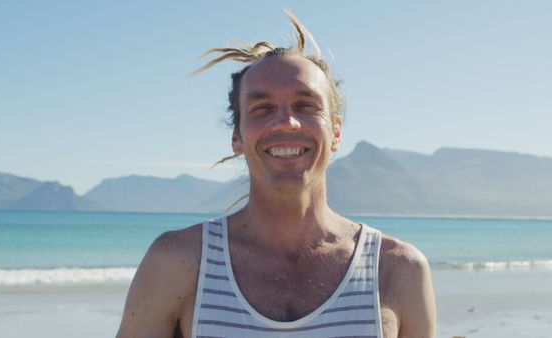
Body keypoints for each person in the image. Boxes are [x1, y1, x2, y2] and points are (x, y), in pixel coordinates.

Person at [116, 11, 436, 338]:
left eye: (306, 105)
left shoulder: (398, 269)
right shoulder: (178, 262)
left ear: (336, 132)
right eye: (262, 108)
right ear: (237, 136)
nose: (286, 122)